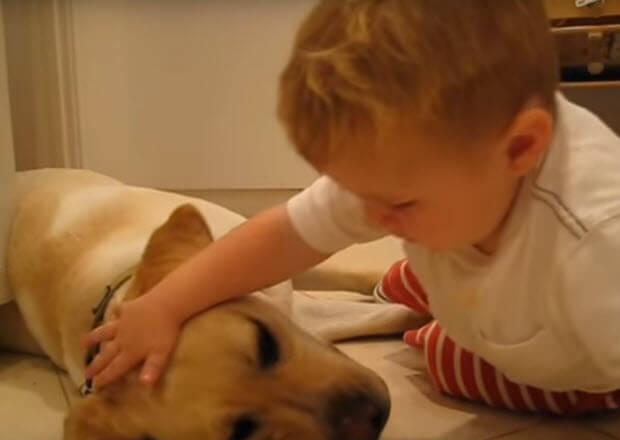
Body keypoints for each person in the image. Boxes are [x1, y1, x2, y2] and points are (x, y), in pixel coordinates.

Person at [84, 0, 620, 413]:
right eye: (357, 194)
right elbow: (286, 235)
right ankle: (416, 284)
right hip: (480, 257)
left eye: (398, 203)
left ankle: (433, 306)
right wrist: (164, 305)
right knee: (407, 270)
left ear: (521, 149)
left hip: (584, 360)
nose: (371, 217)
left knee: (444, 361)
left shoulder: (595, 250)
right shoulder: (436, 167)